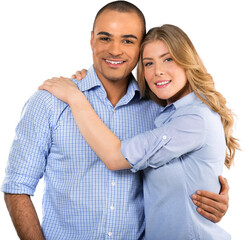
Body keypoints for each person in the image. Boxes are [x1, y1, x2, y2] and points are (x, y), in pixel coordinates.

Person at [1, 1, 229, 240]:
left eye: (128, 40)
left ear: (141, 47)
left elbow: (188, 169)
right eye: (105, 38)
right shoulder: (49, 102)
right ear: (91, 40)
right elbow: (17, 188)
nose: (115, 50)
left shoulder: (160, 110)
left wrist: (214, 199)